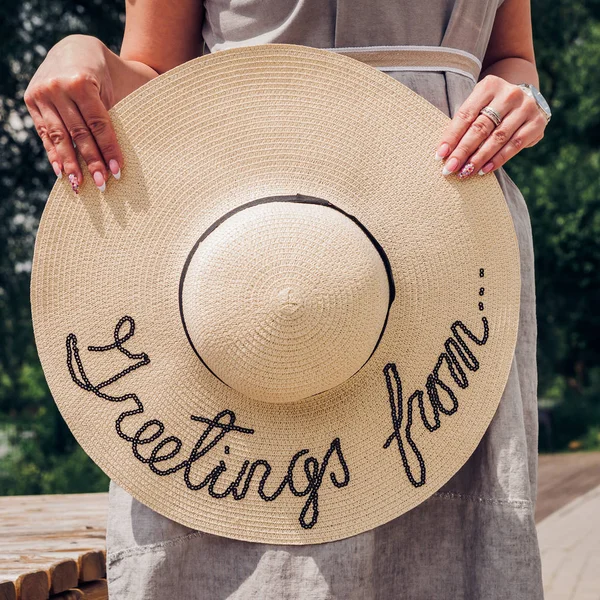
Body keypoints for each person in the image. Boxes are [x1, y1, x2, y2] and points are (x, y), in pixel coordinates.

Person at [24, 0, 548, 597]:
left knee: (446, 539)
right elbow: (153, 73)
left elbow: (513, 57)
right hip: (242, 232)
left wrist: (524, 97)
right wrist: (83, 52)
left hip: (445, 235)